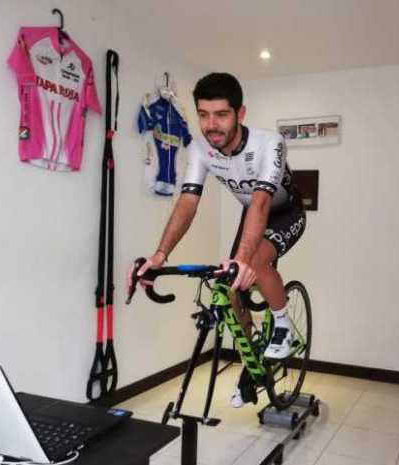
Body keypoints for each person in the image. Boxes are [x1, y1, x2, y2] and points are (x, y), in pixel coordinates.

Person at [127, 72, 306, 407]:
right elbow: (188, 201)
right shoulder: (200, 149)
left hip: (283, 211)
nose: (212, 125)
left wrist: (243, 258)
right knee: (228, 286)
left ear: (240, 114)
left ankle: (283, 324)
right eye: (204, 115)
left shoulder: (269, 143)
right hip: (251, 213)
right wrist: (160, 255)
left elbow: (263, 201)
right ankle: (252, 356)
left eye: (221, 115)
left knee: (252, 262)